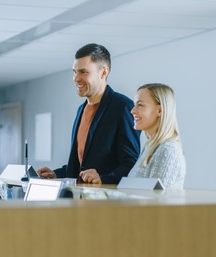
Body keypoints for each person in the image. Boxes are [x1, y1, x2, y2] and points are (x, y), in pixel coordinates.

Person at [37, 43, 140, 184]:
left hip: (106, 201)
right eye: (74, 71)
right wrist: (55, 174)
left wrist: (102, 179)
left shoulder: (123, 107)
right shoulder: (81, 110)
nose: (76, 78)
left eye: (83, 72)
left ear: (103, 72)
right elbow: (81, 164)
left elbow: (131, 163)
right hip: (79, 199)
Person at [128, 83, 186, 189]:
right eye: (134, 105)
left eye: (140, 105)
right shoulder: (149, 147)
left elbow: (157, 201)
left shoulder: (168, 150)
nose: (132, 111)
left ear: (159, 110)